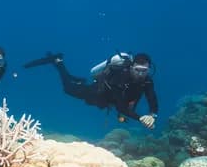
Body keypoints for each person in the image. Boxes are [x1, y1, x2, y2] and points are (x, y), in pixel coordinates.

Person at [24, 51, 158, 129]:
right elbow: (121, 108)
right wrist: (141, 118)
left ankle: (78, 79)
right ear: (131, 67)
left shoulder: (147, 81)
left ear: (149, 69)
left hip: (114, 101)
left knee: (127, 110)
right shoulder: (120, 77)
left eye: (144, 71)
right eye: (138, 70)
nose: (141, 74)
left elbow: (152, 98)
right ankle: (58, 62)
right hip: (97, 93)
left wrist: (152, 115)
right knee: (68, 89)